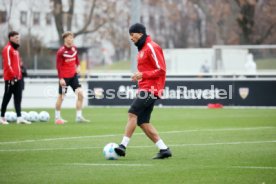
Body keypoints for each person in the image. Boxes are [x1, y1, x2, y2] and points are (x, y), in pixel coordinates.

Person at [114, 23, 172, 159]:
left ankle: (122, 146)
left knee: (132, 113)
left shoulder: (152, 47)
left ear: (140, 33)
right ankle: (164, 149)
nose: (130, 38)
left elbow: (161, 70)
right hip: (145, 88)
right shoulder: (142, 49)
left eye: (132, 34)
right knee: (142, 121)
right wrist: (139, 77)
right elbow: (146, 71)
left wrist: (142, 75)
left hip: (152, 89)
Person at [55, 31, 89, 124]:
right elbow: (58, 66)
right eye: (69, 37)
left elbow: (77, 60)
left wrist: (78, 66)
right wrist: (61, 78)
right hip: (64, 79)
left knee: (80, 95)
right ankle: (57, 118)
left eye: (72, 37)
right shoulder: (61, 51)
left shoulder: (74, 48)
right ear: (65, 39)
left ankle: (78, 117)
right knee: (61, 97)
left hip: (73, 77)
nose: (71, 39)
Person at [0, 31, 31, 125]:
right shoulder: (7, 48)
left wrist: (20, 75)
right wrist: (13, 76)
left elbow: (18, 65)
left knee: (18, 98)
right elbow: (8, 65)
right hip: (10, 79)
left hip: (18, 78)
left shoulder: (16, 50)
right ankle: (1, 117)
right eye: (16, 37)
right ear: (11, 38)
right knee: (7, 97)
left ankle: (19, 117)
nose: (18, 39)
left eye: (19, 37)